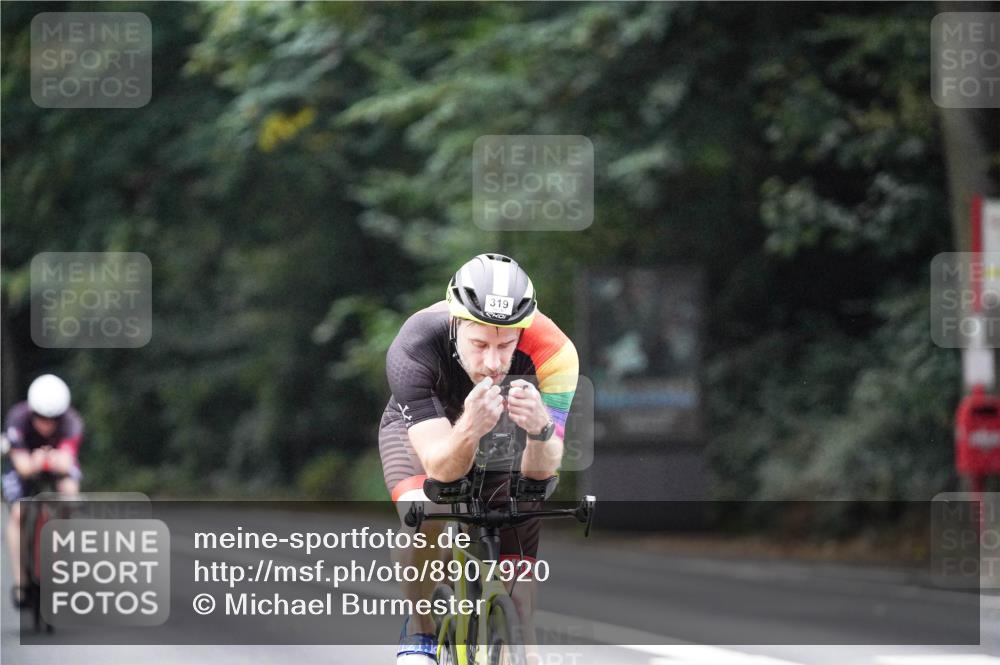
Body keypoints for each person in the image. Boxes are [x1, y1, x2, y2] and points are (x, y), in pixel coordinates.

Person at [379, 253, 578, 664]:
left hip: (505, 430)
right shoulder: (414, 346)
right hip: (424, 429)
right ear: (456, 323)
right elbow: (438, 465)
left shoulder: (556, 354)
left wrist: (541, 430)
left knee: (519, 595)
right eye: (479, 344)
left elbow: (542, 473)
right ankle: (420, 633)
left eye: (506, 346)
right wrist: (469, 425)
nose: (492, 363)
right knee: (425, 511)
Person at [3, 374, 83, 608]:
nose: (47, 424)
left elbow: (67, 462)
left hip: (53, 465)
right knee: (19, 513)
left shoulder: (72, 422)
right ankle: (20, 582)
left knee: (70, 494)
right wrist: (40, 461)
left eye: (53, 419)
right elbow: (23, 467)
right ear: (31, 412)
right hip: (23, 467)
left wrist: (47, 461)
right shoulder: (16, 418)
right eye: (40, 418)